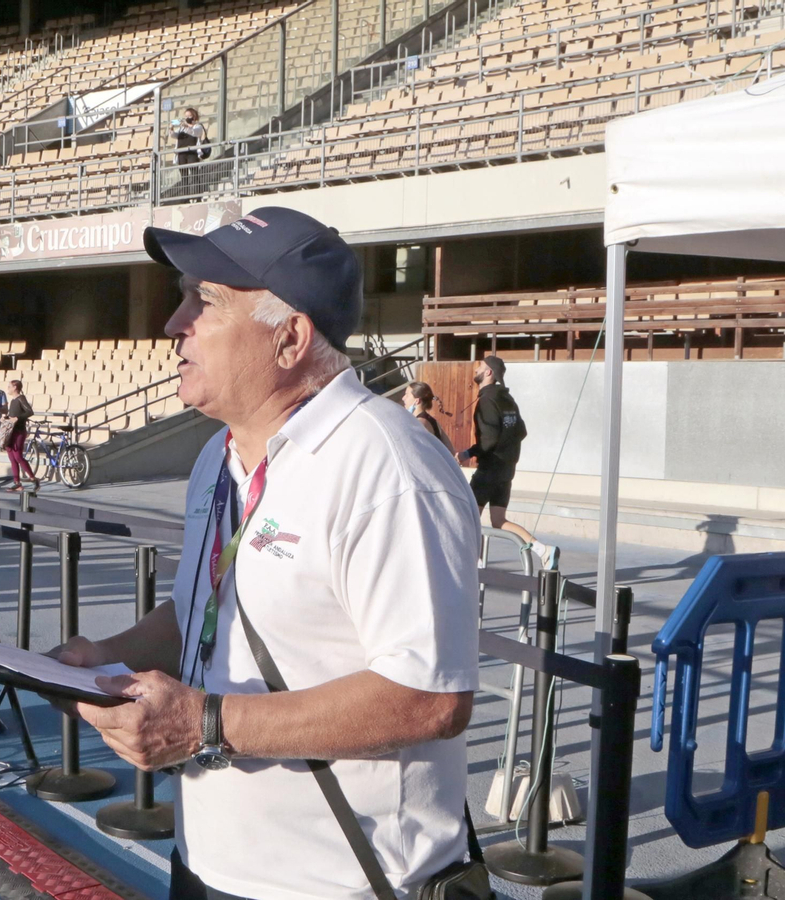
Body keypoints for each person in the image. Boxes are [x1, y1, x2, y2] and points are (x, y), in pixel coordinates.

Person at [55, 207, 481, 900]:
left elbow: (429, 696)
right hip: (207, 867)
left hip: (340, 885)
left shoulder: (388, 469)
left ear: (290, 339)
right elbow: (207, 610)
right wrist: (101, 660)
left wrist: (206, 724)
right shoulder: (215, 461)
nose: (173, 325)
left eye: (207, 301)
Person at [455, 355, 554, 568]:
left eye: (480, 366)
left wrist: (467, 452)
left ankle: (476, 566)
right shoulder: (508, 399)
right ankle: (543, 550)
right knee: (499, 521)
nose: (477, 369)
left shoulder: (487, 401)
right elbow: (522, 431)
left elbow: (488, 440)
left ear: (488, 372)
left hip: (489, 469)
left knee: (470, 517)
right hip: (506, 470)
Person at [0, 379, 40, 493]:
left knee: (18, 456)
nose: (8, 388)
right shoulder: (12, 401)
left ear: (15, 388)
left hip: (19, 431)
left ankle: (33, 478)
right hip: (11, 431)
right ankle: (17, 482)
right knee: (12, 457)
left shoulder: (21, 399)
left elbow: (29, 412)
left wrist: (18, 418)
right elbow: (13, 415)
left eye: (9, 386)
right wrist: (6, 417)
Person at [403, 380, 454, 454]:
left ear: (417, 401)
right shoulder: (432, 421)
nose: (403, 398)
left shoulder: (420, 423)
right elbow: (450, 450)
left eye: (406, 395)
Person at [171, 107, 208, 195]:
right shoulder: (181, 128)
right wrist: (171, 127)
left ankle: (197, 195)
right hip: (181, 153)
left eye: (189, 116)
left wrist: (188, 125)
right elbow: (174, 135)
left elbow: (195, 132)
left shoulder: (198, 126)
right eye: (186, 116)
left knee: (194, 174)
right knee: (184, 176)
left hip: (192, 153)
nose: (187, 118)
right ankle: (185, 196)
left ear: (194, 117)